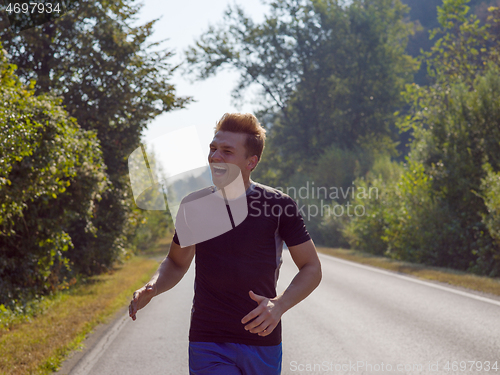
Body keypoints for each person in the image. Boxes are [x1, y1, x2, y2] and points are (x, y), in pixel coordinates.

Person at [129, 113, 322, 375]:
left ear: (251, 162)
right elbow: (176, 262)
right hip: (208, 338)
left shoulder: (279, 205)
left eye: (227, 151)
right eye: (213, 148)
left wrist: (279, 305)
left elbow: (311, 267)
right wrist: (152, 286)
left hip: (262, 339)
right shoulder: (193, 206)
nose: (215, 156)